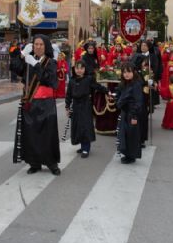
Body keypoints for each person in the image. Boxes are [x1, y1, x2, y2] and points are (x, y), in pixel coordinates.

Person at [10, 34, 61, 175]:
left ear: (46, 47)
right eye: (35, 44)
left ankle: (52, 163)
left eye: (41, 44)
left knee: (48, 133)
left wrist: (36, 65)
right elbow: (14, 68)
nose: (38, 47)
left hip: (46, 103)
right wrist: (21, 55)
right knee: (31, 133)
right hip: (31, 102)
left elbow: (49, 80)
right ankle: (34, 162)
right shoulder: (28, 59)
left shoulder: (51, 62)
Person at [65, 60, 107, 158]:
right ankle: (82, 145)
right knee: (78, 126)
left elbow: (97, 86)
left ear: (84, 69)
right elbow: (68, 95)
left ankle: (86, 148)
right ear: (74, 69)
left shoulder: (88, 79)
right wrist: (67, 107)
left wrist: (107, 91)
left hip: (85, 105)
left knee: (85, 126)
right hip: (75, 106)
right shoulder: (72, 81)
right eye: (77, 68)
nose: (79, 70)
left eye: (81, 68)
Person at [115, 62, 143, 164]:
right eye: (124, 72)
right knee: (124, 134)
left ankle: (131, 156)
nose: (127, 74)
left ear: (133, 72)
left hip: (132, 113)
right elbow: (119, 95)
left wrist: (134, 116)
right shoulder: (123, 83)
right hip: (125, 112)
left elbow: (138, 101)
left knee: (132, 134)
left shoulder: (136, 84)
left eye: (129, 72)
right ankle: (127, 154)